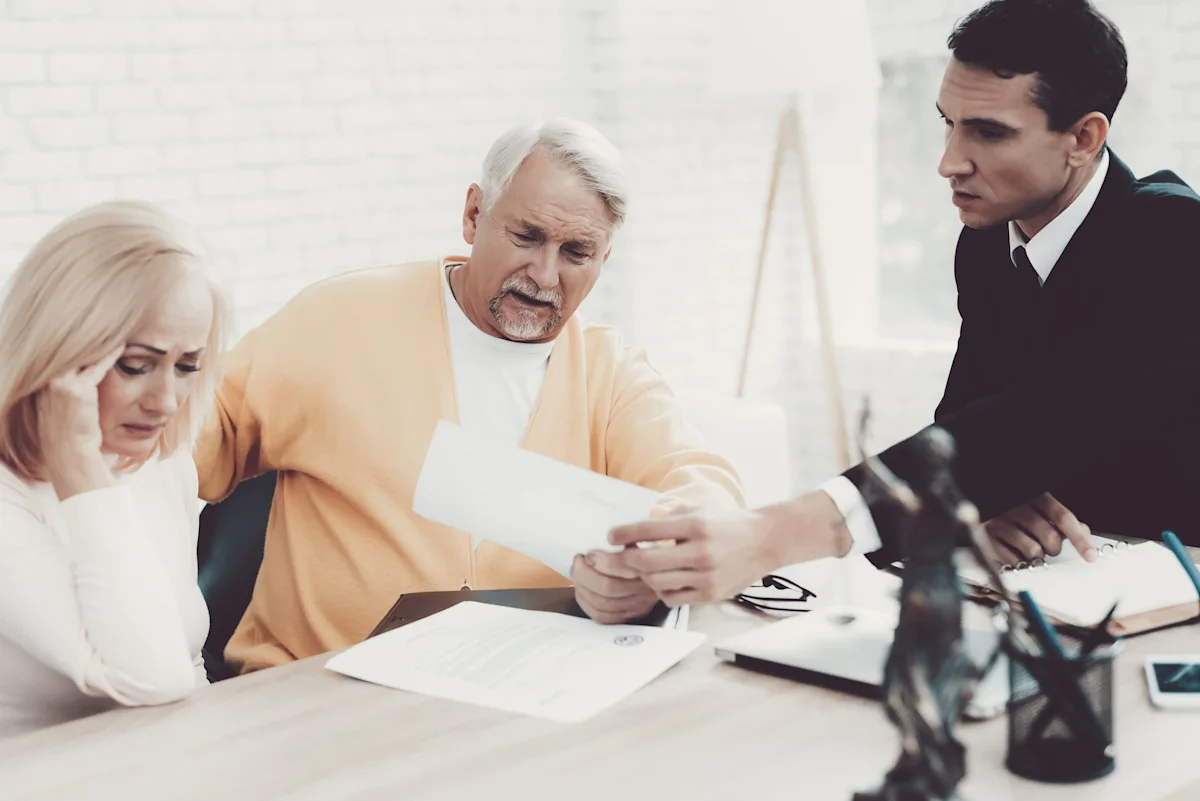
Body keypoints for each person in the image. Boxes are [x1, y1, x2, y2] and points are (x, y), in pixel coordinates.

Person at [600, 0, 1200, 605]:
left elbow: (1040, 422)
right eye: (949, 122)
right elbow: (961, 427)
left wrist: (769, 535)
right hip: (1051, 590)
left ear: (1083, 137)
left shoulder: (1172, 235)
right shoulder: (988, 242)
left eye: (988, 132)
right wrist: (967, 508)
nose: (948, 163)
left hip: (1173, 586)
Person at [195, 118, 743, 674]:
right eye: (526, 237)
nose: (545, 274)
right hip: (310, 689)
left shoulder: (610, 372)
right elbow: (195, 431)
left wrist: (652, 566)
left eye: (577, 252)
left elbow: (702, 489)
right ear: (474, 214)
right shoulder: (336, 318)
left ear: (604, 259)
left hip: (516, 696)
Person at [0, 201, 228, 737]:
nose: (165, 401)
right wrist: (77, 467)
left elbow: (188, 670)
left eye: (187, 366)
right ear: (59, 350)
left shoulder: (157, 459)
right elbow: (152, 677)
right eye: (136, 365)